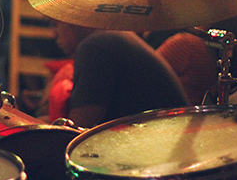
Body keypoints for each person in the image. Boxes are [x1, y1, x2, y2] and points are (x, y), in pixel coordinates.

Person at [52, 20, 188, 128]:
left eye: (55, 23)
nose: (54, 33)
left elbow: (78, 129)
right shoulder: (111, 39)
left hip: (156, 149)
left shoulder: (96, 46)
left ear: (73, 20)